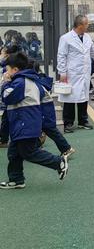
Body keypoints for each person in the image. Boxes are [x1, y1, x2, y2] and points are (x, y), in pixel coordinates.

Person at [1, 53, 69, 189]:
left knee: (29, 152)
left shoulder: (20, 82)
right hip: (23, 123)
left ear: (15, 70)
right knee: (14, 153)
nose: (6, 72)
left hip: (24, 123)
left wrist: (5, 82)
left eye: (7, 69)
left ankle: (58, 162)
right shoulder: (26, 80)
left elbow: (6, 97)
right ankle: (16, 180)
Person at [57, 15, 94, 133]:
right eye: (87, 24)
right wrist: (62, 73)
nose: (88, 26)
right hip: (71, 73)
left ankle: (82, 120)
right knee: (69, 98)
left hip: (84, 72)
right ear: (80, 25)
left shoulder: (87, 37)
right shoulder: (66, 38)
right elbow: (61, 56)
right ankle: (68, 122)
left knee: (83, 97)